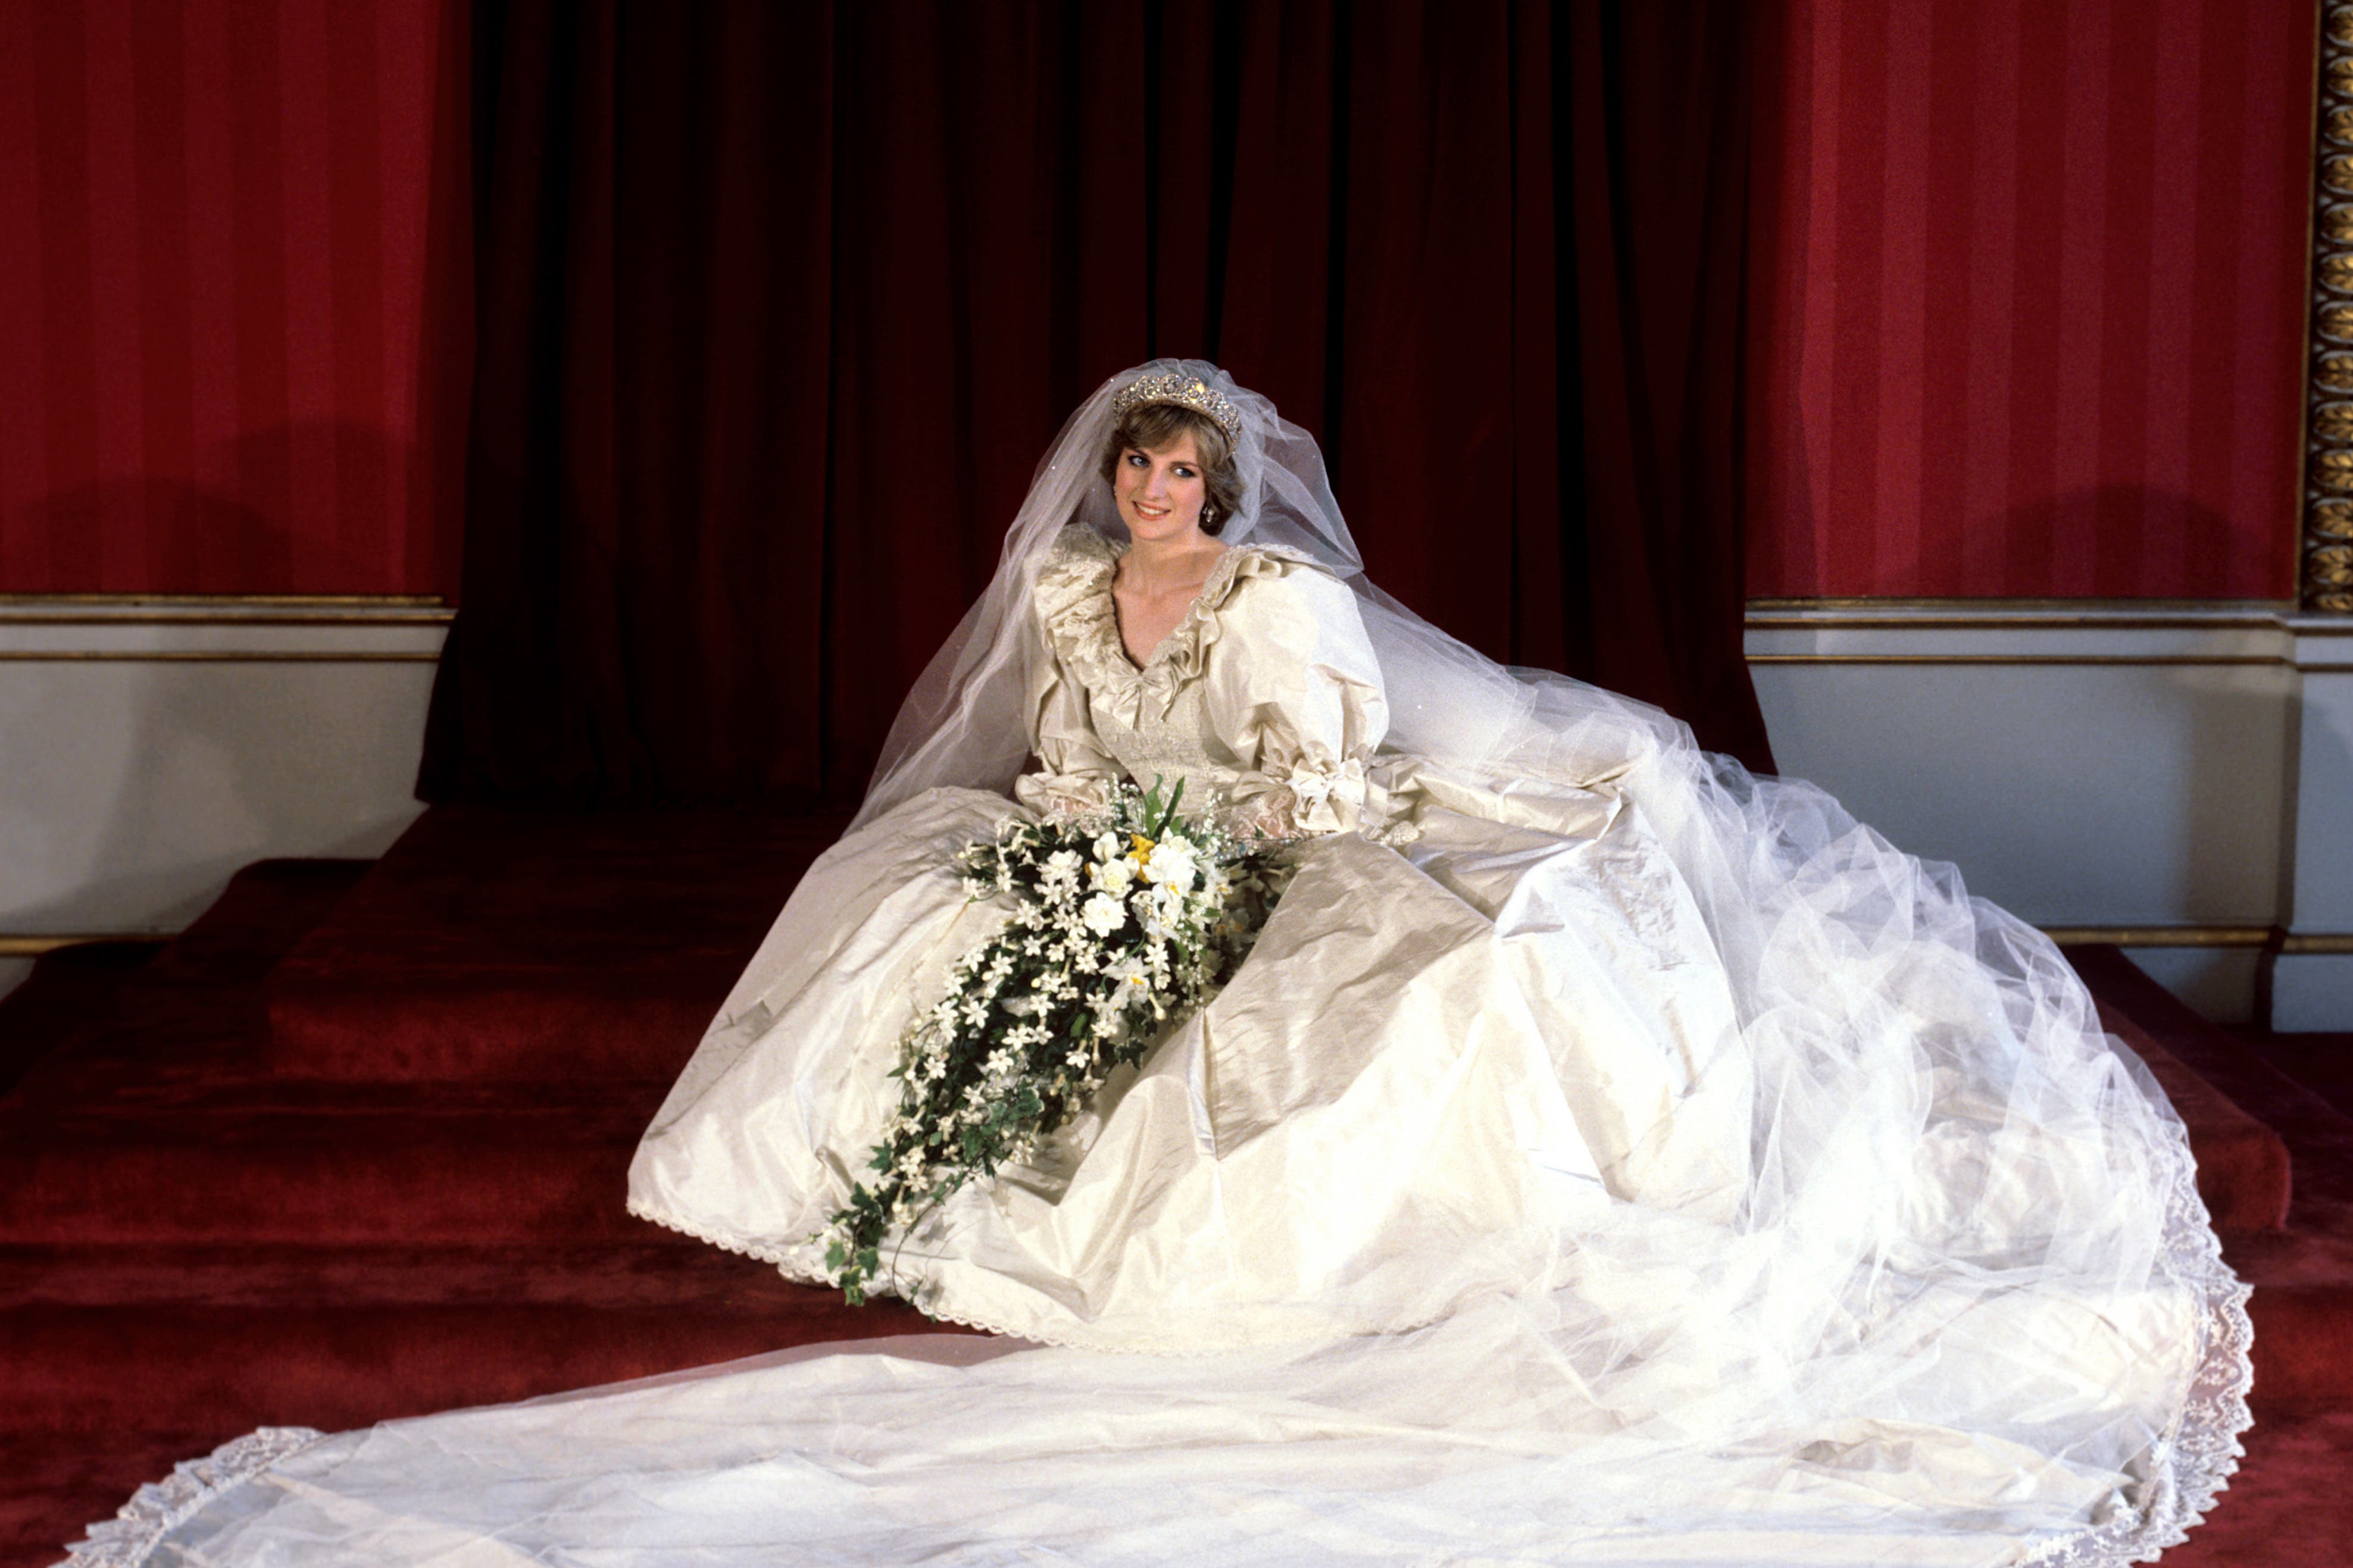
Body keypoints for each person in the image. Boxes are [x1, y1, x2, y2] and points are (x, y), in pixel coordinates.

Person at [73, 362, 2251, 1567]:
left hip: (1287, 833)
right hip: (1128, 842)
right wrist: (1071, 853)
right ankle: (890, 1170)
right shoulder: (1059, 608)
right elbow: (1043, 755)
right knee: (920, 907)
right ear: (1110, 483)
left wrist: (1176, 861)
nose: (1159, 496)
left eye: (1188, 471)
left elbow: (1309, 787)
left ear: (1228, 490)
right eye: (1136, 468)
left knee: (1382, 1008)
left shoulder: (1284, 615)